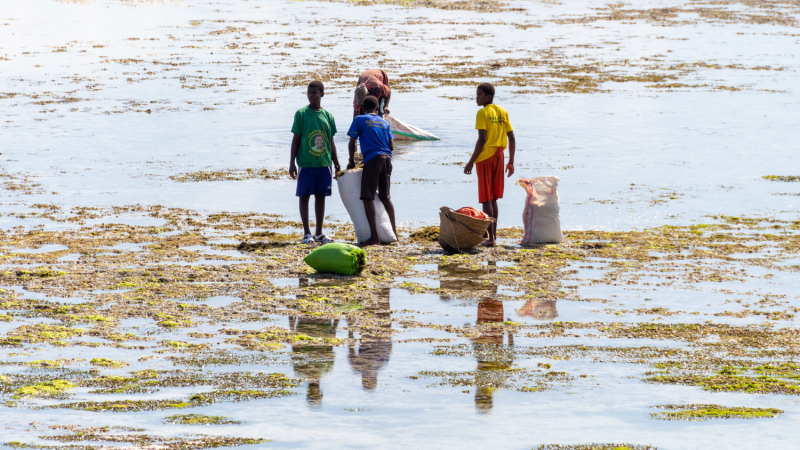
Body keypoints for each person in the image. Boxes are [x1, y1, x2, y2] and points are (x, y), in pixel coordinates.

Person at [463, 82, 516, 247]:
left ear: (488, 96)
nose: (476, 98)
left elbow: (482, 140)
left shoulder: (482, 113)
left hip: (486, 157)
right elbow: (512, 138)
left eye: (479, 95)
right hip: (500, 155)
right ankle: (493, 236)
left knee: (486, 198)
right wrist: (511, 161)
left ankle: (490, 238)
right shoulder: (502, 111)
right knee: (493, 198)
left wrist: (471, 162)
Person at [289, 80, 340, 245]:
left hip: (324, 164)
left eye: (315, 93)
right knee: (304, 196)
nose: (311, 96)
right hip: (306, 163)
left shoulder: (328, 116)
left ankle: (318, 233)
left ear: (322, 94)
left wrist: (337, 163)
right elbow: (295, 140)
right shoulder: (301, 114)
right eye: (309, 93)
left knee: (321, 197)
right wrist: (292, 163)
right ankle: (306, 233)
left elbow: (331, 142)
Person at [346, 95, 397, 246]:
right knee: (385, 196)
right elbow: (391, 146)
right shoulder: (384, 122)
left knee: (368, 198)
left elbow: (352, 141)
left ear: (362, 108)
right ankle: (394, 234)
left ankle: (374, 237)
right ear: (377, 108)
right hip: (387, 159)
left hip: (373, 159)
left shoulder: (359, 119)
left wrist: (351, 161)